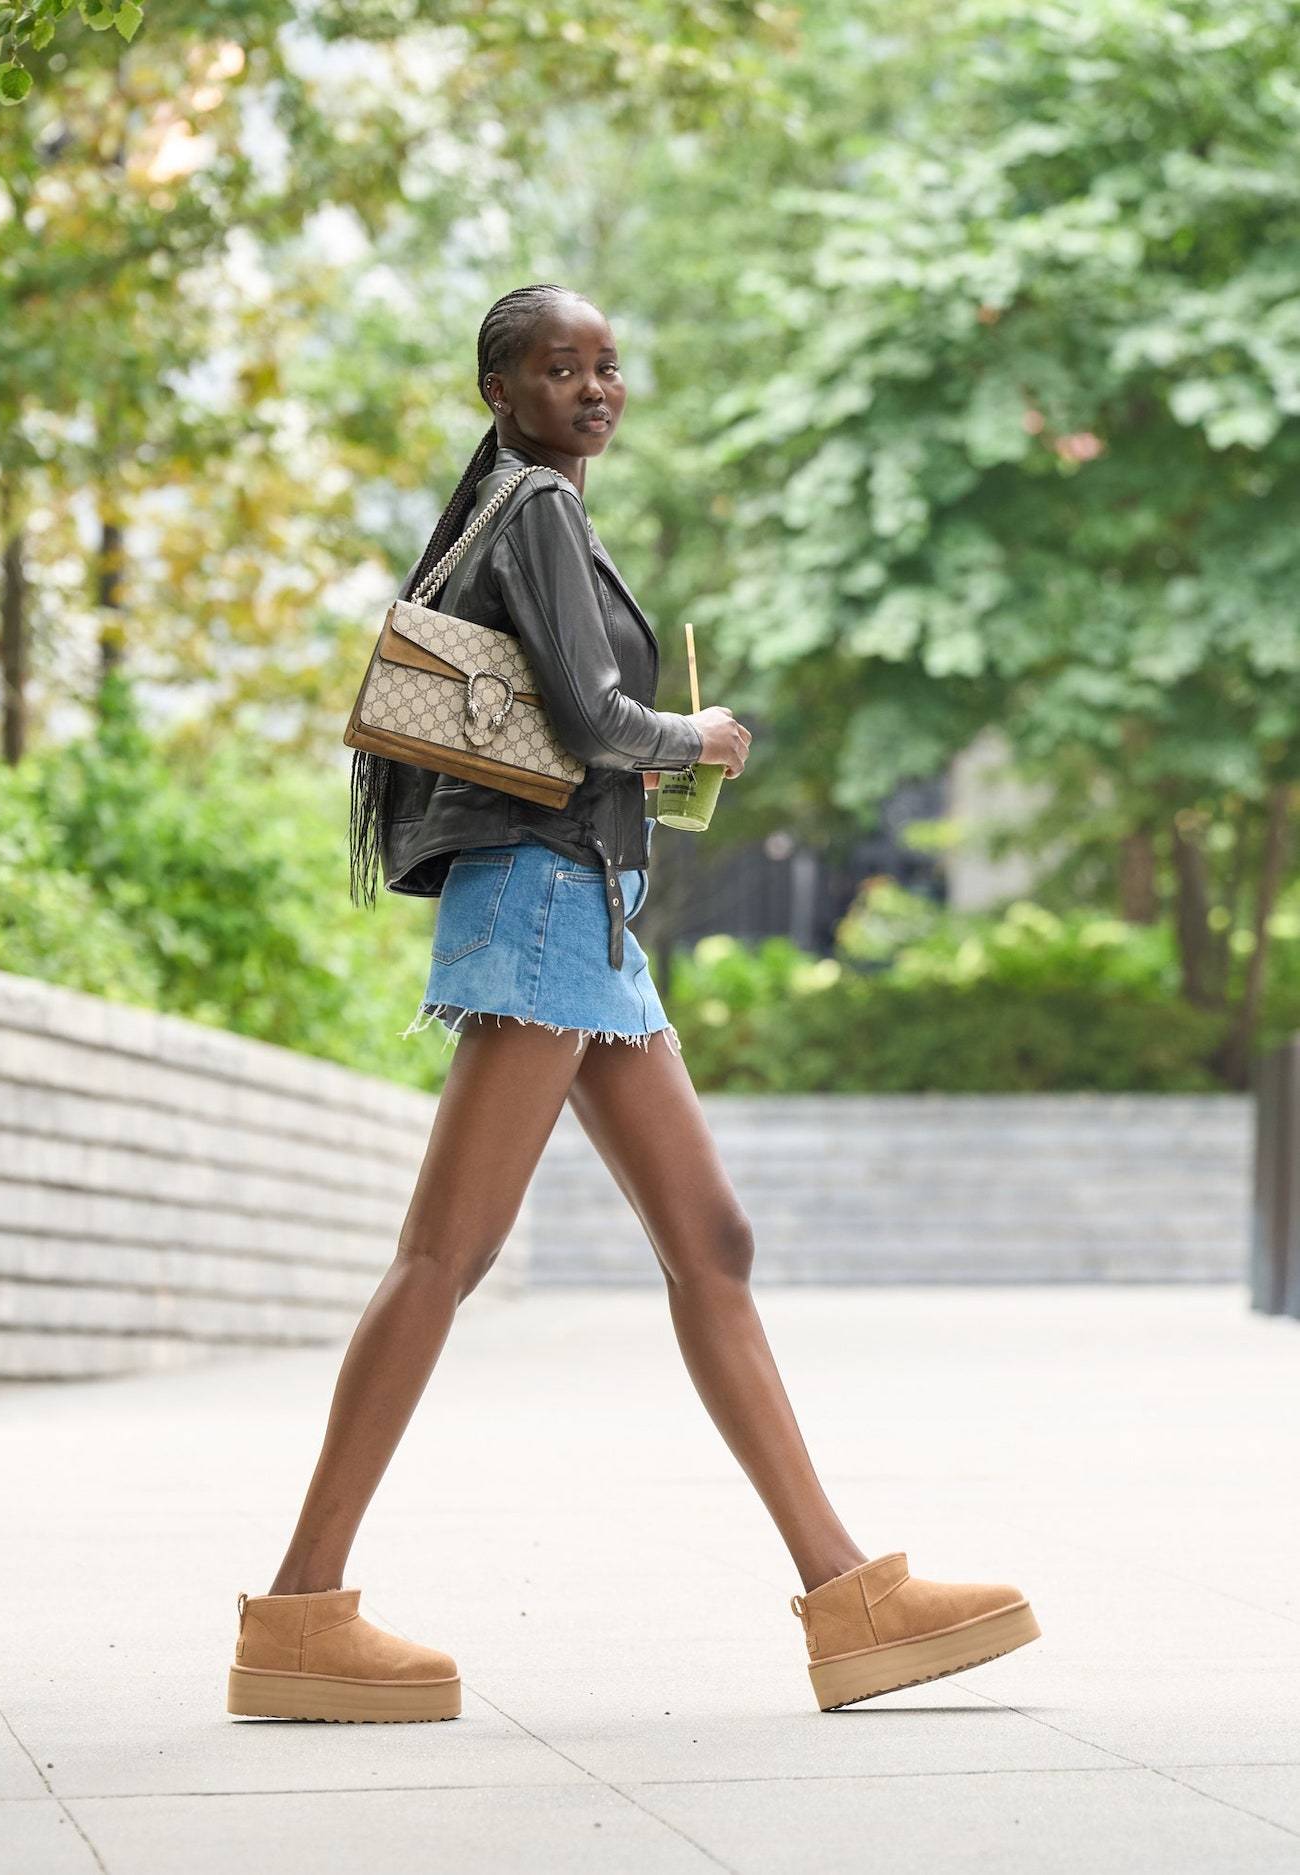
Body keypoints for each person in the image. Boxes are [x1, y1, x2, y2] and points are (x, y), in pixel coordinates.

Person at [225, 284, 1040, 1723]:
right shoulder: (533, 506)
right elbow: (596, 721)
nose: (593, 386)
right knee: (446, 1255)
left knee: (708, 1238)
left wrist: (643, 765)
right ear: (503, 389)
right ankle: (297, 1614)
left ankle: (846, 1601)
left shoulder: (543, 510)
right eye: (560, 366)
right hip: (543, 896)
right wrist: (698, 736)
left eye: (609, 364)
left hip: (585, 909)